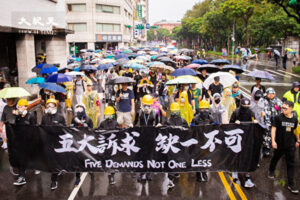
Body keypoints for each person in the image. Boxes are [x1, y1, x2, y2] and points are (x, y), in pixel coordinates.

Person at [268, 101, 300, 194]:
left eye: (285, 108)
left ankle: (291, 184)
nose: (283, 109)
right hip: (279, 144)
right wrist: (273, 141)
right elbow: (273, 129)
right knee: (275, 158)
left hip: (290, 145)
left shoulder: (294, 119)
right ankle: (271, 170)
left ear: (291, 109)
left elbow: (296, 130)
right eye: (282, 107)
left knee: (291, 164)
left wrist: (298, 140)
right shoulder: (278, 118)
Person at [230, 97, 258, 188]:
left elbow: (255, 120)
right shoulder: (236, 112)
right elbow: (230, 123)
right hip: (237, 136)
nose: (246, 107)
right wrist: (235, 122)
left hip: (248, 137)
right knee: (237, 154)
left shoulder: (251, 112)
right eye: (244, 106)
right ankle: (235, 172)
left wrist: (255, 122)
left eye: (247, 106)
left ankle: (247, 176)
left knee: (248, 156)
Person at [41, 98, 66, 190]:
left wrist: (58, 126)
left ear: (55, 106)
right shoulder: (44, 117)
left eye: (51, 105)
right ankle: (55, 176)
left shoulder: (60, 117)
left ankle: (54, 180)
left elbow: (64, 129)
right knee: (51, 161)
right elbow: (41, 128)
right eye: (48, 105)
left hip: (58, 142)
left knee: (57, 159)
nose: (49, 107)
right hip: (48, 142)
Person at [13, 99, 37, 186]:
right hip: (21, 141)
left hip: (29, 140)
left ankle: (36, 166)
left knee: (32, 156)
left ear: (26, 107)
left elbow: (35, 128)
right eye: (18, 106)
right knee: (21, 158)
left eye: (21, 106)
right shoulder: (18, 116)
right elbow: (16, 127)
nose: (19, 108)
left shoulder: (31, 116)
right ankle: (22, 176)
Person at [134, 95, 159, 182]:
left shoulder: (155, 113)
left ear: (151, 105)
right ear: (142, 104)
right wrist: (131, 126)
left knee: (150, 155)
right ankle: (141, 172)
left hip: (151, 137)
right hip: (142, 136)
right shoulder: (139, 112)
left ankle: (149, 172)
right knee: (142, 155)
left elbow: (158, 123)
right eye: (145, 105)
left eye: (149, 105)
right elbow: (134, 122)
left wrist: (158, 125)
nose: (147, 107)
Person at [69, 104, 93, 186]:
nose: (79, 109)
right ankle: (77, 177)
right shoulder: (74, 118)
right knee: (77, 160)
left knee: (87, 157)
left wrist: (88, 128)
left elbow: (93, 132)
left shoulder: (88, 119)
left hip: (85, 142)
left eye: (81, 108)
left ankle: (90, 169)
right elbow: (70, 129)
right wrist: (71, 127)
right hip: (77, 142)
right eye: (77, 108)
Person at [191, 100, 214, 182]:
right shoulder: (195, 119)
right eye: (202, 109)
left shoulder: (211, 118)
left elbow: (215, 128)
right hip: (198, 142)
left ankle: (204, 172)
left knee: (205, 157)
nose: (204, 111)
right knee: (198, 157)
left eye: (206, 109)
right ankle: (198, 173)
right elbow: (191, 129)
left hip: (207, 142)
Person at [98, 106, 119, 185]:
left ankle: (112, 175)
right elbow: (98, 131)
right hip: (105, 145)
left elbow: (119, 132)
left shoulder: (115, 123)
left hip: (113, 145)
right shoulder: (102, 123)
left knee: (112, 161)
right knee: (105, 160)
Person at [262, 88, 282, 156]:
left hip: (275, 122)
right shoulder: (262, 100)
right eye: (269, 94)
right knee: (266, 135)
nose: (270, 95)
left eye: (272, 94)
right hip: (265, 121)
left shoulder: (277, 101)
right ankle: (266, 149)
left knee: (275, 135)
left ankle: (275, 148)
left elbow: (279, 110)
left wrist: (275, 106)